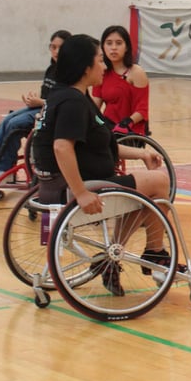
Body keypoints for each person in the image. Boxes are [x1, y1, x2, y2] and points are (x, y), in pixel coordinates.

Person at [30, 34, 176, 287]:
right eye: (100, 60)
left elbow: (101, 144)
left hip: (55, 186)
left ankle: (128, 252)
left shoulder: (66, 95)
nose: (104, 66)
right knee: (160, 183)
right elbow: (62, 147)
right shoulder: (73, 102)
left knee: (148, 186)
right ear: (86, 67)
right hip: (76, 189)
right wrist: (81, 193)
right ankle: (150, 252)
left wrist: (141, 153)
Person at [0, 30, 71, 180]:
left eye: (60, 48)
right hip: (41, 107)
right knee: (7, 120)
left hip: (52, 113)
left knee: (14, 124)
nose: (56, 51)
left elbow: (64, 101)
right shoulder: (51, 69)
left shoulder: (70, 73)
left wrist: (41, 102)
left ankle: (4, 168)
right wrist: (34, 99)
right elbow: (47, 96)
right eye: (53, 47)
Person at [91, 25, 150, 136]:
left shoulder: (136, 72)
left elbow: (142, 110)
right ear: (103, 47)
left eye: (118, 43)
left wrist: (126, 123)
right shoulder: (102, 72)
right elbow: (95, 106)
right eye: (109, 43)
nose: (113, 48)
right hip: (108, 128)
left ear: (126, 47)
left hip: (130, 131)